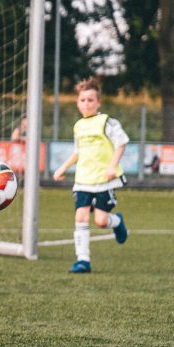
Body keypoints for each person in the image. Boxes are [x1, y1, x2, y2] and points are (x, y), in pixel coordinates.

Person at [52, 77, 129, 273]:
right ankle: (83, 260)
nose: (86, 104)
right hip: (83, 180)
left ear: (98, 102)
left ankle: (117, 222)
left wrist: (112, 166)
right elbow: (78, 152)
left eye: (90, 100)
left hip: (104, 180)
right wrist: (63, 167)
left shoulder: (106, 122)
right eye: (82, 100)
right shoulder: (78, 126)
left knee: (101, 221)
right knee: (81, 216)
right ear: (78, 103)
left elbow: (121, 143)